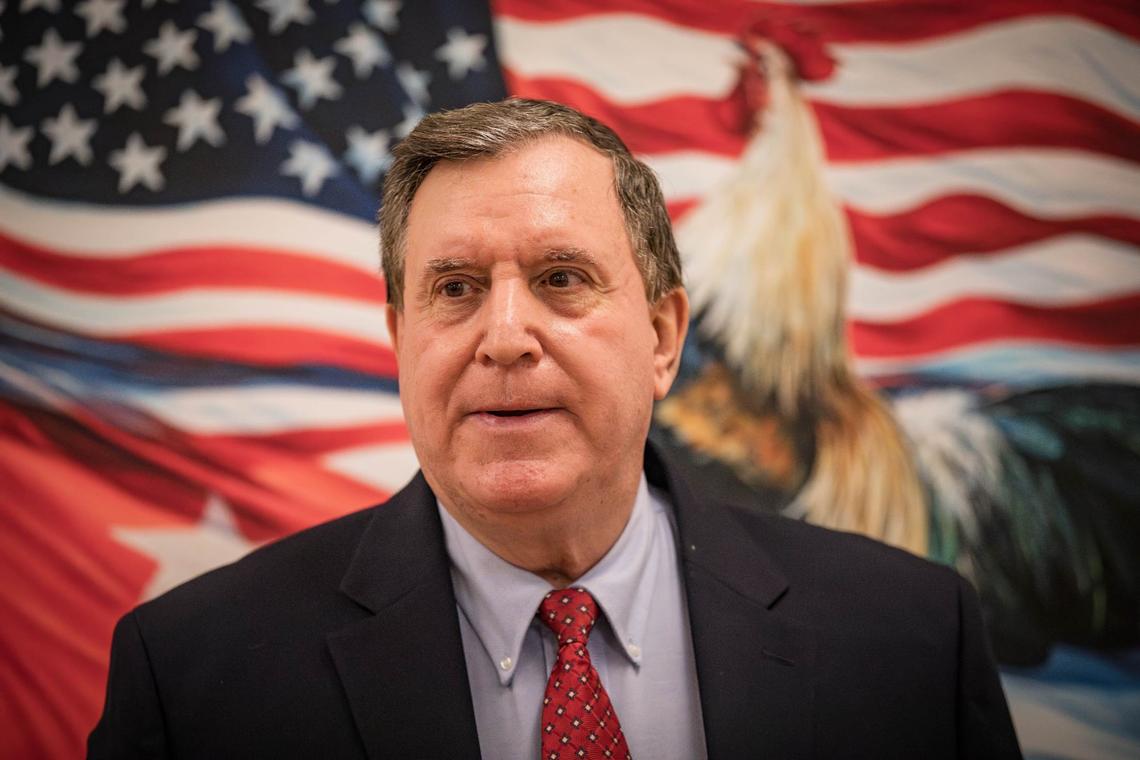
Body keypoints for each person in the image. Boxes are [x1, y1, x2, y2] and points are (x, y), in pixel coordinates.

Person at [89, 98, 1021, 759]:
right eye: (454, 290)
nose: (503, 338)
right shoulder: (191, 679)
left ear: (662, 337)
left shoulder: (911, 643)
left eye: (562, 279)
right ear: (402, 339)